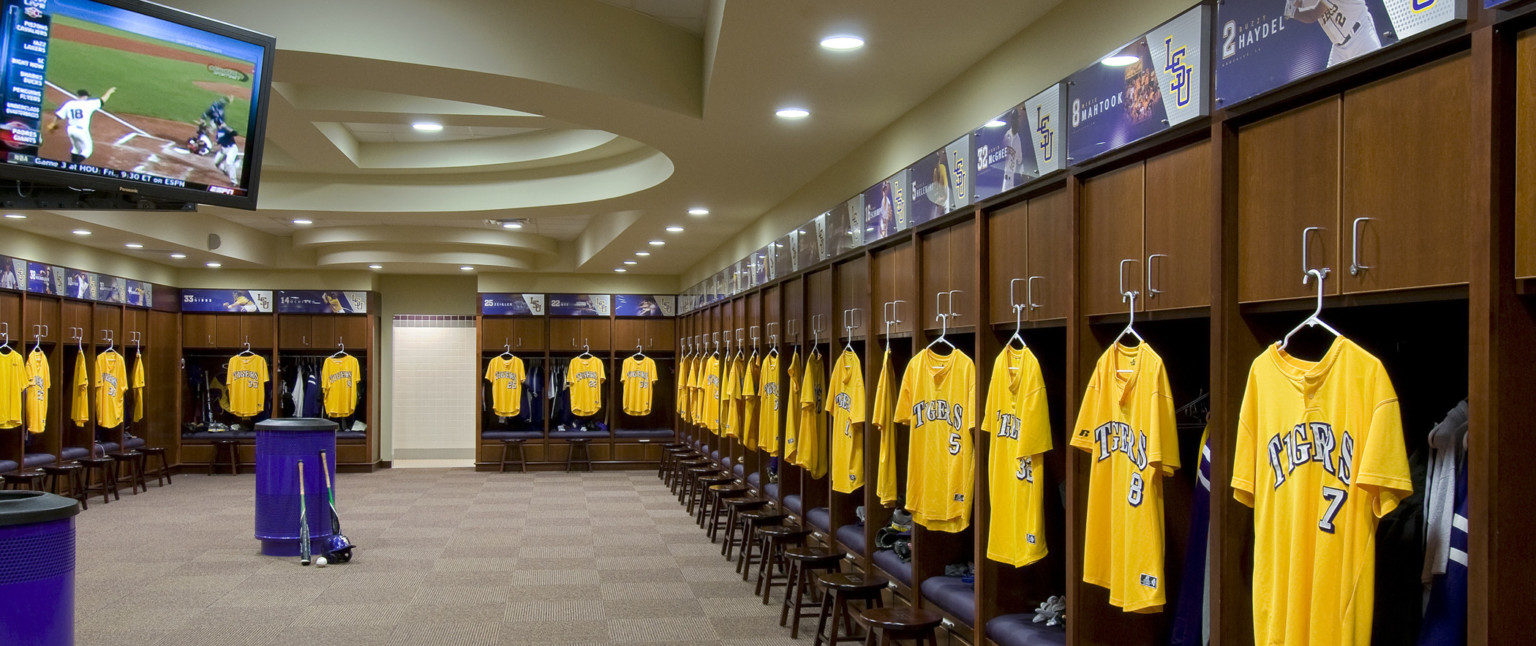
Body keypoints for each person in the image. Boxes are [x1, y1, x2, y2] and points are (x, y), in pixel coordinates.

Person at [1288, 0, 1382, 66]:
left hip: (1361, 35)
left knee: (1376, 75)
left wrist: (1290, 11)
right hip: (1339, 48)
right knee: (1329, 87)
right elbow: (1299, 4)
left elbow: (1311, 15)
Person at [46, 87, 117, 164]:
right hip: (81, 131)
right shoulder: (89, 104)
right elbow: (102, 100)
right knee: (88, 150)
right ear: (85, 96)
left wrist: (53, 123)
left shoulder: (69, 104)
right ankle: (74, 165)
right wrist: (109, 92)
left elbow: (58, 115)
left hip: (70, 129)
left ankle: (72, 164)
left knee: (76, 148)